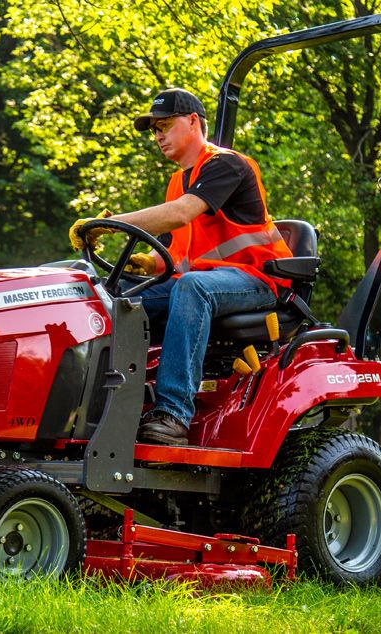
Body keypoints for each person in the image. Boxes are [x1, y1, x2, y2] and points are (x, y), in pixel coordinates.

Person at [70, 88, 292, 446]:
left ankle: (173, 413)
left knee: (192, 287)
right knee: (112, 294)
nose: (158, 135)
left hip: (258, 280)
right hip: (208, 280)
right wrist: (146, 264)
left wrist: (106, 223)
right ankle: (97, 407)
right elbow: (181, 251)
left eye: (165, 125)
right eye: (154, 129)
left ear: (192, 122)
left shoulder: (226, 164)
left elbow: (180, 214)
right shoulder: (179, 181)